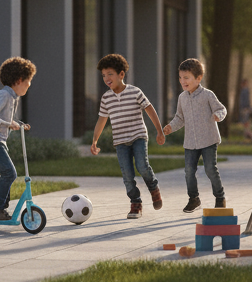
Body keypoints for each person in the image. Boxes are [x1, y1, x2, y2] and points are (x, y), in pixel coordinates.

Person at [90, 53, 166, 219]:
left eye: (110, 74)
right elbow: (101, 121)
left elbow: (150, 110)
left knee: (142, 166)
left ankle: (153, 188)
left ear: (121, 74)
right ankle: (136, 203)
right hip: (120, 142)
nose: (106, 78)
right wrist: (94, 140)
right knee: (127, 175)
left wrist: (160, 131)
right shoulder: (106, 98)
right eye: (103, 75)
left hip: (138, 136)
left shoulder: (135, 92)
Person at [163, 57, 228, 213]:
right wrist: (170, 127)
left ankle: (220, 198)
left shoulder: (208, 95)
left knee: (210, 169)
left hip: (209, 139)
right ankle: (194, 199)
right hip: (191, 142)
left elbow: (222, 109)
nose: (182, 81)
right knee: (189, 171)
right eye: (180, 77)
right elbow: (180, 118)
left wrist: (218, 115)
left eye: (186, 77)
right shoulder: (182, 98)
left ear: (198, 78)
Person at [0, 57, 36, 220]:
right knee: (9, 172)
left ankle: (1, 210)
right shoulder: (3, 95)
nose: (29, 85)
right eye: (28, 81)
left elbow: (4, 118)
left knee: (8, 173)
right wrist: (7, 124)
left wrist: (18, 124)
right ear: (19, 80)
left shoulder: (12, 97)